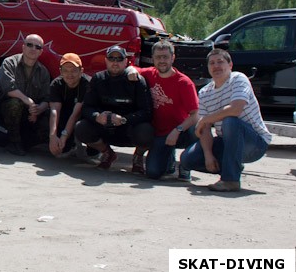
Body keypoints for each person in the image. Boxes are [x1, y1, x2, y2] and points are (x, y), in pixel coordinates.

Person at [179, 48, 272, 192]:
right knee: (188, 159)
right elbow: (204, 130)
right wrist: (208, 155)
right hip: (227, 142)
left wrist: (205, 120)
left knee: (230, 121)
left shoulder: (238, 79)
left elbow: (235, 109)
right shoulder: (204, 92)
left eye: (220, 62)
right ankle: (231, 166)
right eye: (212, 63)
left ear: (230, 65)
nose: (216, 66)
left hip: (255, 144)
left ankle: (230, 180)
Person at [127, 40, 199, 180]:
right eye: (158, 57)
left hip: (181, 130)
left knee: (196, 128)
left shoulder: (184, 83)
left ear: (173, 58)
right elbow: (132, 67)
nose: (162, 61)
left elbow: (195, 115)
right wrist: (131, 71)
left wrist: (178, 130)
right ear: (152, 58)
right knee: (153, 173)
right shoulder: (149, 74)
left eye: (165, 57)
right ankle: (168, 160)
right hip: (160, 134)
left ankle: (186, 164)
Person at [75, 45, 154, 170]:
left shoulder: (137, 81)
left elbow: (146, 112)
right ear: (106, 60)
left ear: (126, 62)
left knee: (146, 131)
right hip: (104, 127)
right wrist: (97, 116)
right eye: (111, 58)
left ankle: (138, 156)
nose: (115, 62)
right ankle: (107, 153)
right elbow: (87, 108)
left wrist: (124, 119)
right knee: (81, 128)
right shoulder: (98, 79)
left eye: (119, 59)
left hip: (128, 128)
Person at [0, 34, 51, 156]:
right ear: (23, 47)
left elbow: (46, 97)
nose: (33, 49)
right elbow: (8, 88)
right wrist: (30, 102)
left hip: (30, 114)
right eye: (29, 45)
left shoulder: (43, 72)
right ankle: (14, 142)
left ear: (41, 52)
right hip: (7, 110)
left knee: (49, 116)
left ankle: (26, 142)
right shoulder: (9, 62)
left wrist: (38, 109)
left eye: (37, 47)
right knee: (15, 103)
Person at [47, 53, 88, 158]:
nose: (70, 74)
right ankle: (69, 145)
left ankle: (92, 150)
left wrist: (64, 137)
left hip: (82, 116)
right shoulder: (56, 84)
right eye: (66, 70)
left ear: (81, 71)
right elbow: (54, 111)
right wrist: (53, 136)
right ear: (60, 71)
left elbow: (76, 114)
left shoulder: (87, 84)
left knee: (85, 123)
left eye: (74, 70)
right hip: (64, 116)